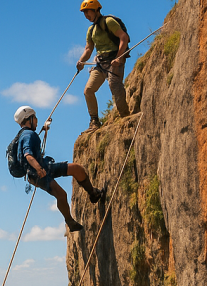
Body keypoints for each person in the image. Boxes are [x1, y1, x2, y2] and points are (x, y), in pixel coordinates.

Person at [14, 105, 104, 233]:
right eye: (35, 117)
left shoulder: (25, 134)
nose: (37, 120)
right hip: (39, 173)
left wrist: (44, 128)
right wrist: (38, 168)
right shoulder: (28, 135)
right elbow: (28, 155)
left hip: (44, 168)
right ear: (29, 119)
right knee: (61, 195)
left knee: (76, 168)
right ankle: (70, 222)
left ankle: (93, 193)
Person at [76, 0, 131, 132]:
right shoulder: (91, 30)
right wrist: (81, 61)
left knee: (114, 85)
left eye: (87, 12)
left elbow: (124, 37)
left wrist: (119, 57)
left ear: (95, 10)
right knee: (88, 90)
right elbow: (88, 49)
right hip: (101, 63)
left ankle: (125, 116)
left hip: (115, 59)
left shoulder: (109, 21)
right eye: (84, 13)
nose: (86, 15)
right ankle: (94, 121)